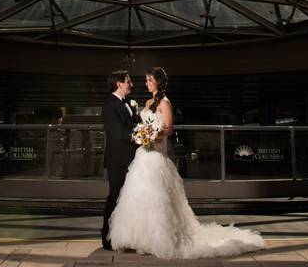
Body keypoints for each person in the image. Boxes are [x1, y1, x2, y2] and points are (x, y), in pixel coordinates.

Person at [107, 67, 265, 259]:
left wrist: (154, 136)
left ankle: (161, 240)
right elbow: (140, 126)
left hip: (156, 155)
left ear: (157, 82)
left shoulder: (165, 103)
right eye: (146, 80)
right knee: (138, 196)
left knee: (158, 199)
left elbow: (169, 129)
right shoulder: (148, 102)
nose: (146, 83)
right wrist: (143, 134)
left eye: (149, 80)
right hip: (142, 156)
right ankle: (139, 239)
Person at [100, 69, 137, 251]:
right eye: (128, 81)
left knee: (128, 198)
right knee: (114, 197)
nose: (132, 84)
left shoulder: (128, 103)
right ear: (119, 83)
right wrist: (138, 135)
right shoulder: (109, 105)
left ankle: (124, 235)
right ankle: (106, 237)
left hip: (131, 159)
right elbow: (117, 132)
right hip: (117, 160)